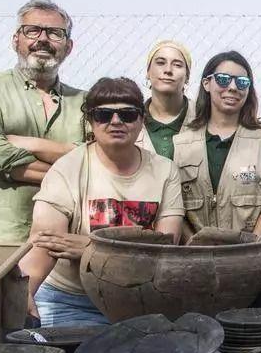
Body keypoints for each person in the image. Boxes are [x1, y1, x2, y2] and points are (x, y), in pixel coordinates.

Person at [20, 77, 184, 326]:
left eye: (127, 114)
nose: (116, 121)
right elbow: (46, 242)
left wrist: (92, 249)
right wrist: (25, 293)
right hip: (71, 300)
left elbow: (164, 252)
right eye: (104, 115)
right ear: (90, 121)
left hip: (140, 298)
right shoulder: (68, 168)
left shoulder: (165, 171)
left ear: (142, 120)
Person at [172, 51, 261, 268]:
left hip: (258, 267)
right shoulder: (180, 144)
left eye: (242, 82)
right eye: (223, 79)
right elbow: (174, 208)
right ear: (207, 84)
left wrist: (246, 254)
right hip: (200, 267)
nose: (233, 87)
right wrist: (196, 251)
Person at [0, 0, 86, 243]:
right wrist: (73, 170)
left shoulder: (86, 103)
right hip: (0, 237)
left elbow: (99, 159)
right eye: (32, 30)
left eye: (55, 33)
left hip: (64, 242)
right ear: (16, 40)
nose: (43, 39)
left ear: (69, 46)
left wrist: (29, 144)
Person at [138, 40, 194, 159]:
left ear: (187, 76)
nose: (168, 70)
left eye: (177, 65)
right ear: (148, 72)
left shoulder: (204, 118)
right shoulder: (130, 119)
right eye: (160, 63)